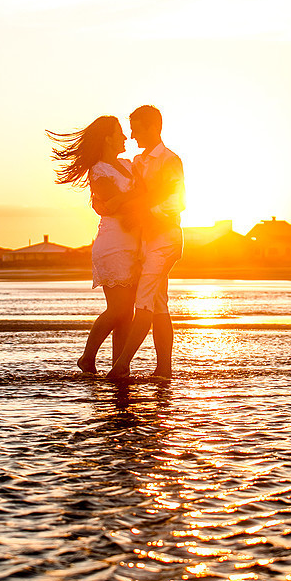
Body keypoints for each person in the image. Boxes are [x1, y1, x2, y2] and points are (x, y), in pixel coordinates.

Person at [49, 115, 142, 374]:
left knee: (128, 314)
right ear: (107, 139)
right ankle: (87, 357)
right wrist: (136, 196)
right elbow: (115, 205)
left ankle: (120, 367)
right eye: (120, 133)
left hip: (135, 243)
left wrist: (128, 199)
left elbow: (123, 203)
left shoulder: (127, 164)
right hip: (113, 243)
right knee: (119, 308)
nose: (125, 137)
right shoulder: (99, 170)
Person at [106, 105, 185, 380]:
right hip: (145, 241)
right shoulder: (138, 162)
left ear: (154, 128)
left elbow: (176, 202)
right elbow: (137, 194)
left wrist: (142, 213)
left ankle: (120, 367)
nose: (132, 135)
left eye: (137, 129)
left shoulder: (170, 160)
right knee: (159, 303)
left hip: (166, 240)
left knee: (144, 303)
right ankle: (164, 369)